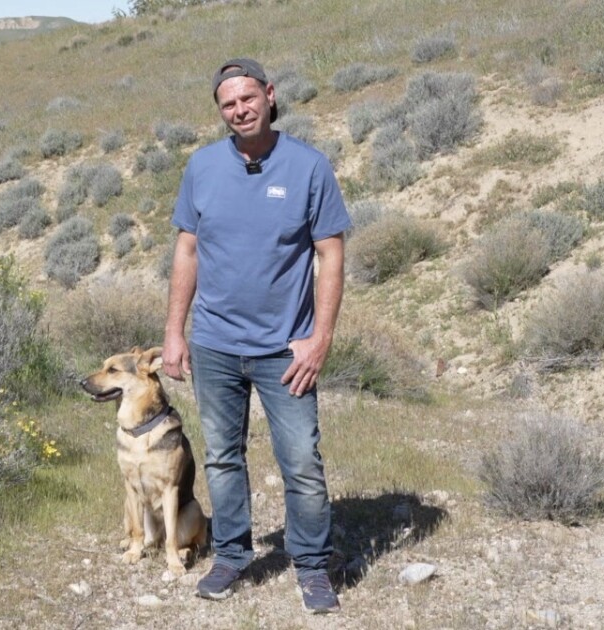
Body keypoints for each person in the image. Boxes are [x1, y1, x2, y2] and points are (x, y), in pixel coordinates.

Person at [161, 58, 351, 615]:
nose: (239, 110)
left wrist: (319, 339)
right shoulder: (201, 167)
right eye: (227, 104)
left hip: (284, 348)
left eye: (248, 98)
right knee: (221, 457)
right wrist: (175, 333)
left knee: (301, 461)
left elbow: (330, 255)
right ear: (219, 110)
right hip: (215, 344)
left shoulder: (309, 167)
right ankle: (233, 555)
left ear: (269, 96)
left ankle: (313, 565)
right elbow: (188, 250)